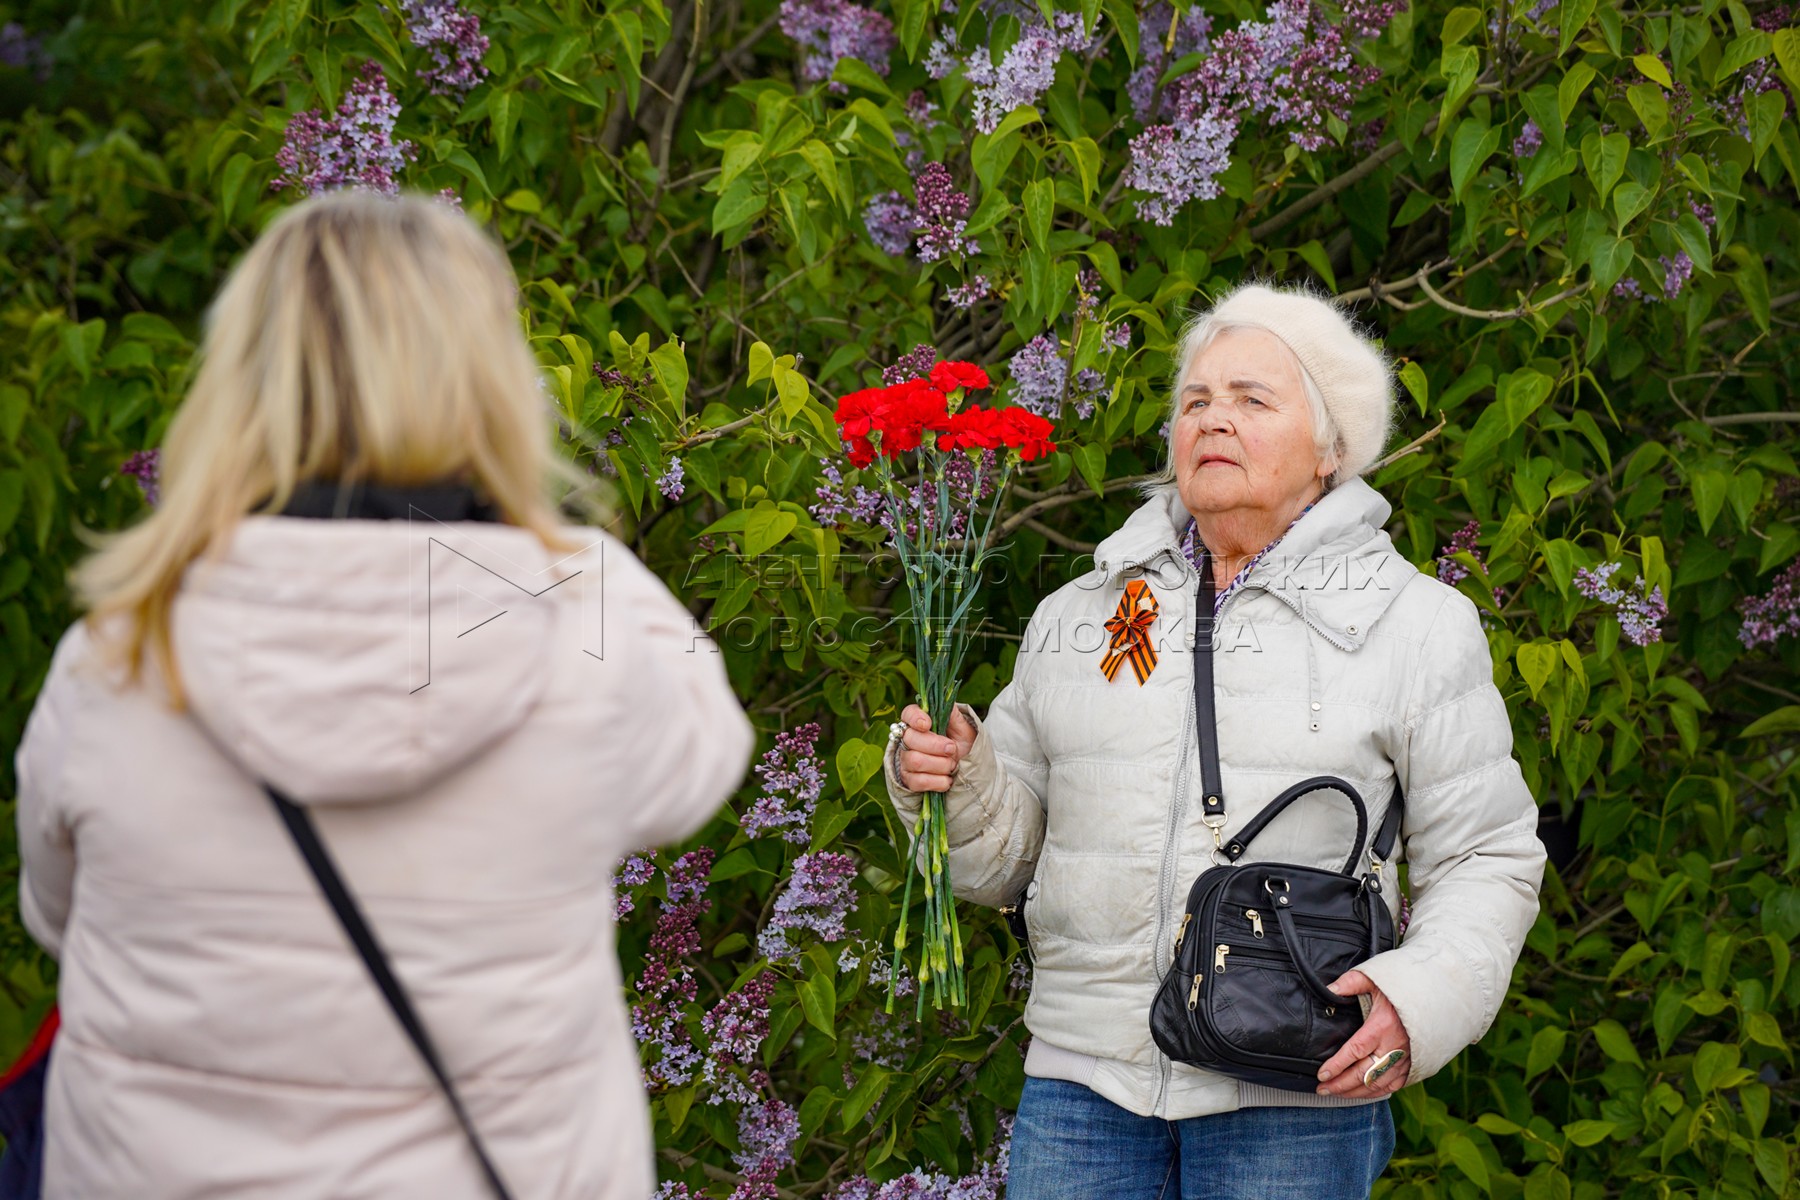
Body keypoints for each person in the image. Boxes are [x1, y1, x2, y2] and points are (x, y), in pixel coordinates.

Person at [14, 192, 753, 1199]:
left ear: (239, 383)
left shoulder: (117, 657)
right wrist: (576, 557)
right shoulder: (586, 633)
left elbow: (60, 915)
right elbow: (705, 757)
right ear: (490, 384)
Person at [888, 283, 1546, 1198]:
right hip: (1083, 1087)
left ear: (1331, 449)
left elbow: (1488, 855)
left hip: (1296, 1088)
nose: (1213, 419)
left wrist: (1418, 1001)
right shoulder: (1080, 613)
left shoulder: (1418, 625)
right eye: (1195, 400)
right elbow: (1003, 865)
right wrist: (957, 784)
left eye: (1252, 399)